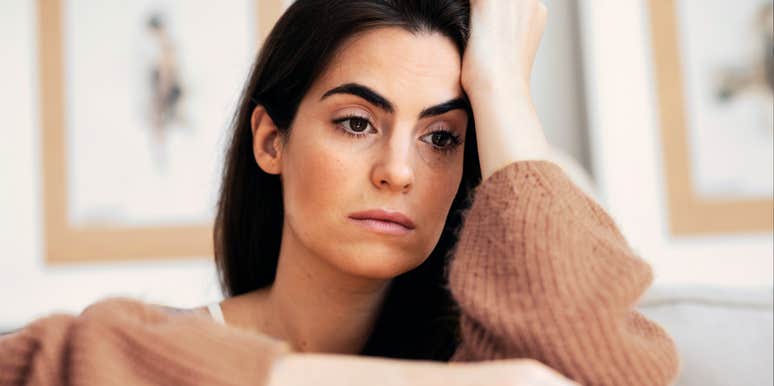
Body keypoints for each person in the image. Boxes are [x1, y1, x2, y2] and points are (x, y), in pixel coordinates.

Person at [0, 1, 679, 385]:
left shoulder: (483, 355)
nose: (398, 171)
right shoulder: (144, 351)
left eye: (441, 137)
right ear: (271, 142)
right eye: (356, 123)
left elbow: (606, 368)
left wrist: (501, 83)